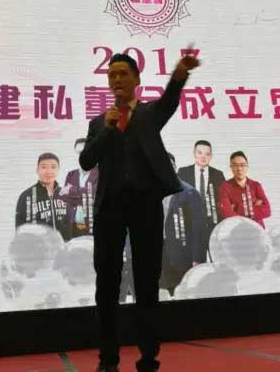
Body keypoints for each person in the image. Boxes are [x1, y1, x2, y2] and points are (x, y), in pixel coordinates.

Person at [79, 52, 199, 372]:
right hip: (110, 210)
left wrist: (180, 74)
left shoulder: (149, 114)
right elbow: (86, 161)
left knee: (147, 284)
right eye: (112, 75)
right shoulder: (98, 122)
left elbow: (170, 100)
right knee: (107, 286)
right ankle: (108, 360)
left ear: (136, 80)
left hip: (145, 207)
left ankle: (148, 359)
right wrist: (107, 130)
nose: (117, 79)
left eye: (123, 74)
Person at [160, 153, 207, 297]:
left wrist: (198, 260)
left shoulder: (189, 193)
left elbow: (199, 230)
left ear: (175, 167)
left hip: (182, 255)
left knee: (184, 294)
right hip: (161, 253)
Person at [177, 140, 226, 247]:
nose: (203, 157)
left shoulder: (218, 175)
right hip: (190, 225)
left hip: (213, 226)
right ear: (194, 153)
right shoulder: (183, 172)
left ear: (211, 156)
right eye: (200, 153)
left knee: (215, 253)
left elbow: (223, 200)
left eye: (207, 154)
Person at [15, 152, 71, 241]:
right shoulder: (26, 196)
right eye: (44, 167)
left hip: (64, 248)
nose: (49, 171)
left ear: (58, 170)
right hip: (38, 248)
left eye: (53, 167)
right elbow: (20, 231)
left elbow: (72, 225)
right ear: (37, 169)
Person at [217, 151, 271, 229]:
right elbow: (227, 214)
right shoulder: (225, 187)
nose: (239, 168)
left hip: (258, 230)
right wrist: (253, 206)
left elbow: (267, 211)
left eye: (242, 165)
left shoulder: (256, 185)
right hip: (237, 231)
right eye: (235, 165)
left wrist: (238, 208)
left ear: (247, 166)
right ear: (231, 167)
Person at [60, 138, 98, 237]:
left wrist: (71, 190)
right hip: (74, 224)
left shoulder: (101, 173)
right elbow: (65, 197)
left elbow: (95, 193)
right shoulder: (71, 174)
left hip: (94, 225)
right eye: (78, 153)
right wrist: (84, 194)